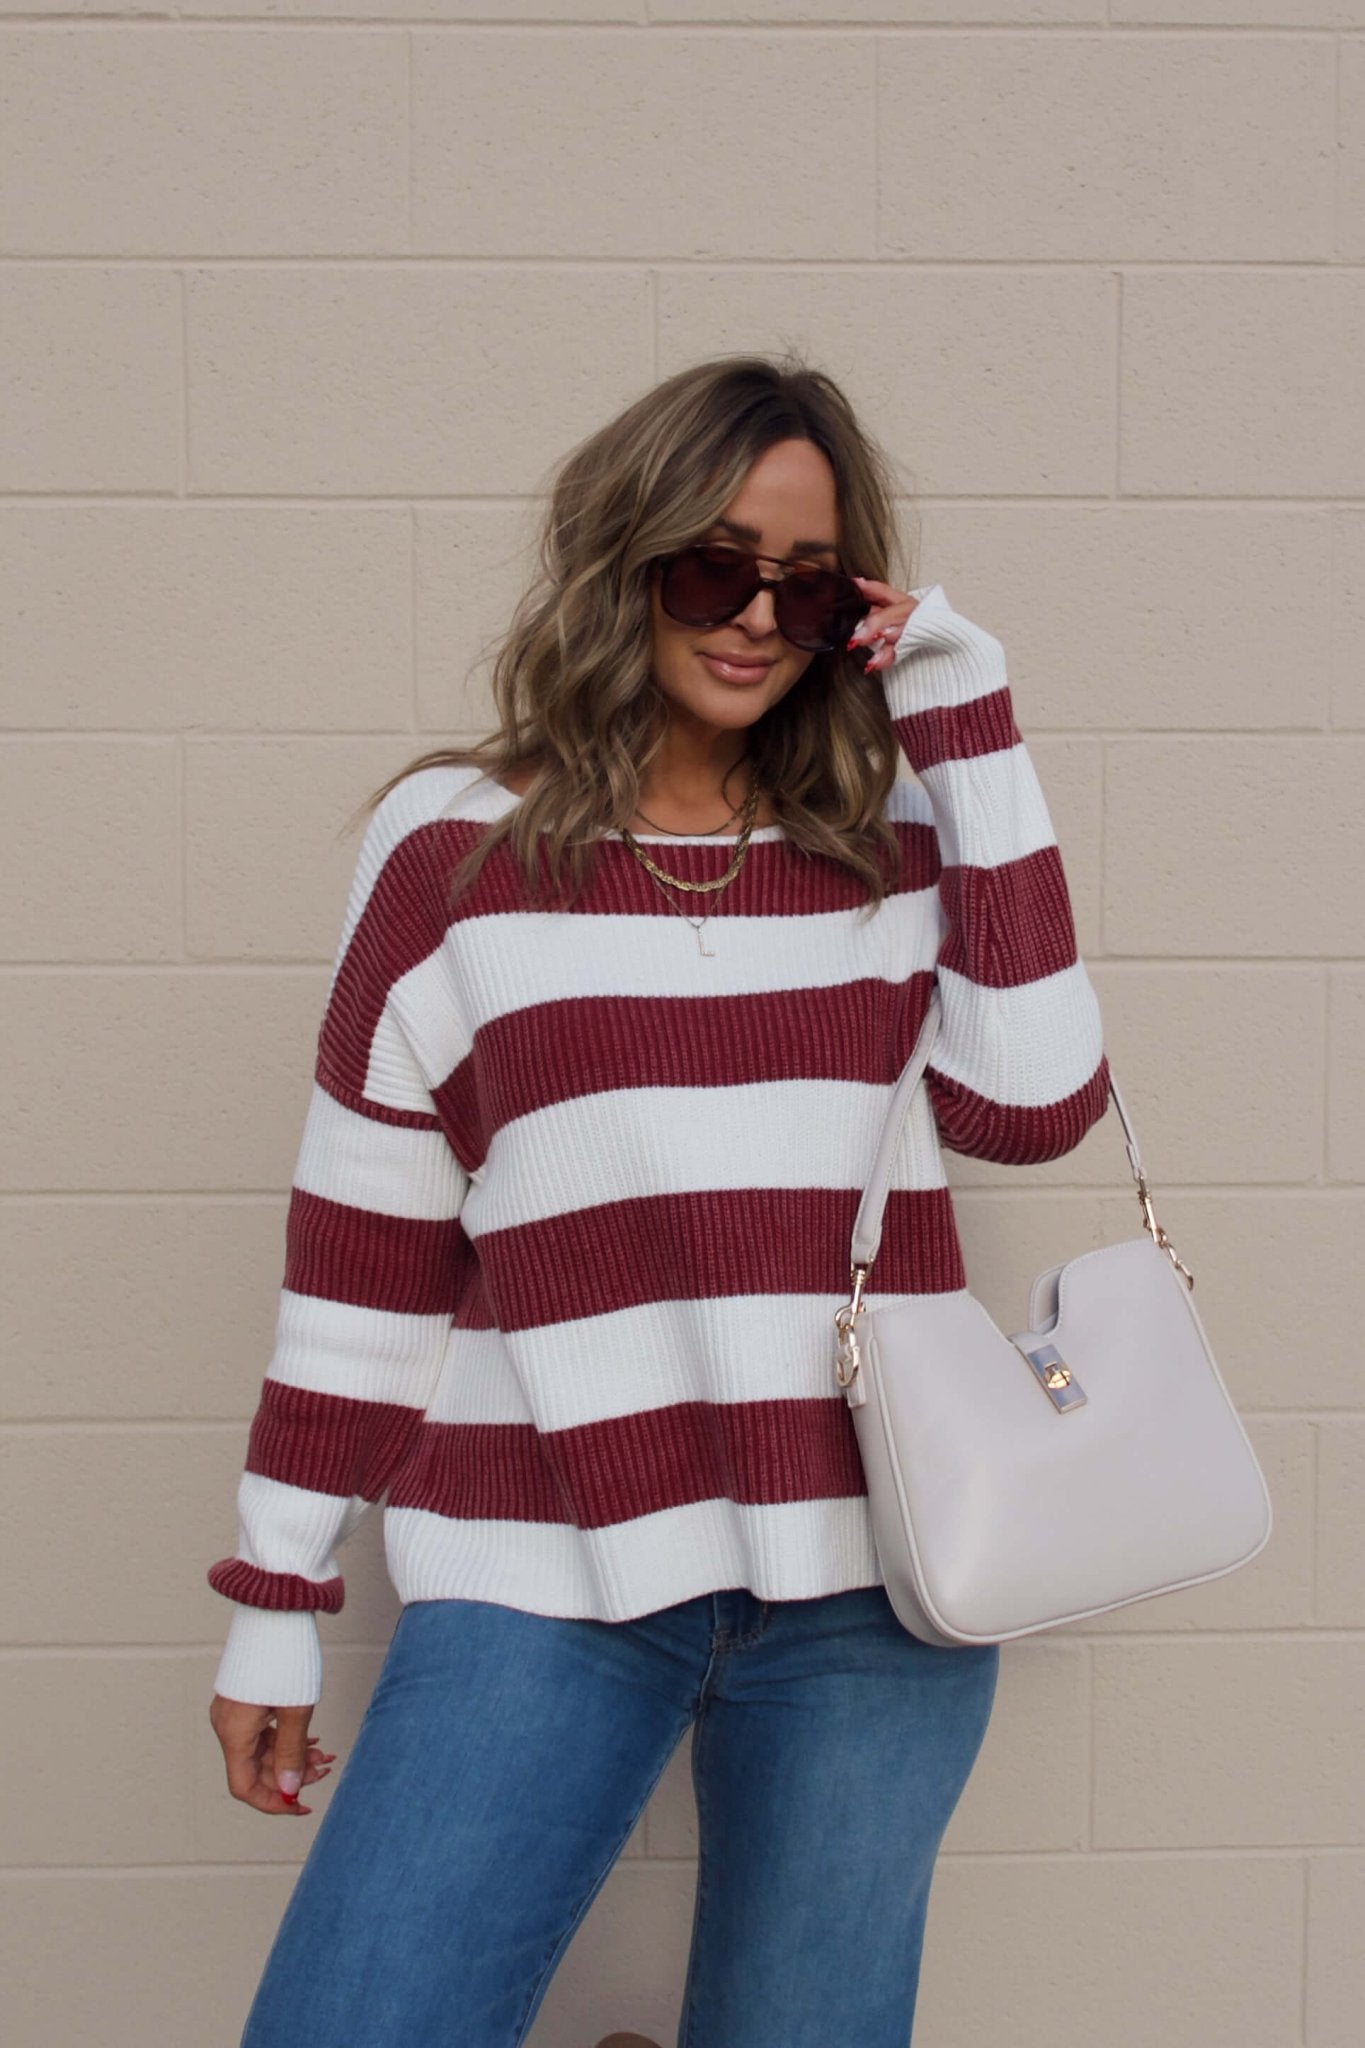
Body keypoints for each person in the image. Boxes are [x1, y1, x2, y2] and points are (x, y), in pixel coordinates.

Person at [207, 353, 1110, 2048]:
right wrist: (276, 1592)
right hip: (538, 1559)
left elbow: (1032, 1103)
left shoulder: (896, 841)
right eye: (713, 567)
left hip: (872, 1591)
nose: (756, 618)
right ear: (622, 559)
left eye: (807, 584)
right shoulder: (452, 850)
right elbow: (366, 1257)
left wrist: (968, 717)